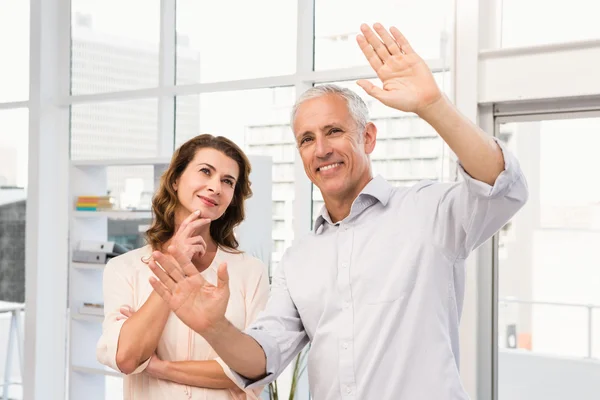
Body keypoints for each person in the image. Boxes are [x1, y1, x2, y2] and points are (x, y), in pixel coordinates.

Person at [146, 23, 529, 399]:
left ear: (368, 137)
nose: (321, 149)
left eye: (334, 131)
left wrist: (433, 107)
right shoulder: (299, 260)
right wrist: (214, 327)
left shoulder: (427, 212)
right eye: (307, 139)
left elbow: (502, 188)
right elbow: (262, 358)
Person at [96, 134, 270, 400]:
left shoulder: (250, 271)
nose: (215, 187)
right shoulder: (125, 269)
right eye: (205, 172)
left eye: (227, 181)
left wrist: (158, 367)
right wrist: (175, 264)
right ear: (176, 179)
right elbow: (128, 358)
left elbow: (253, 371)